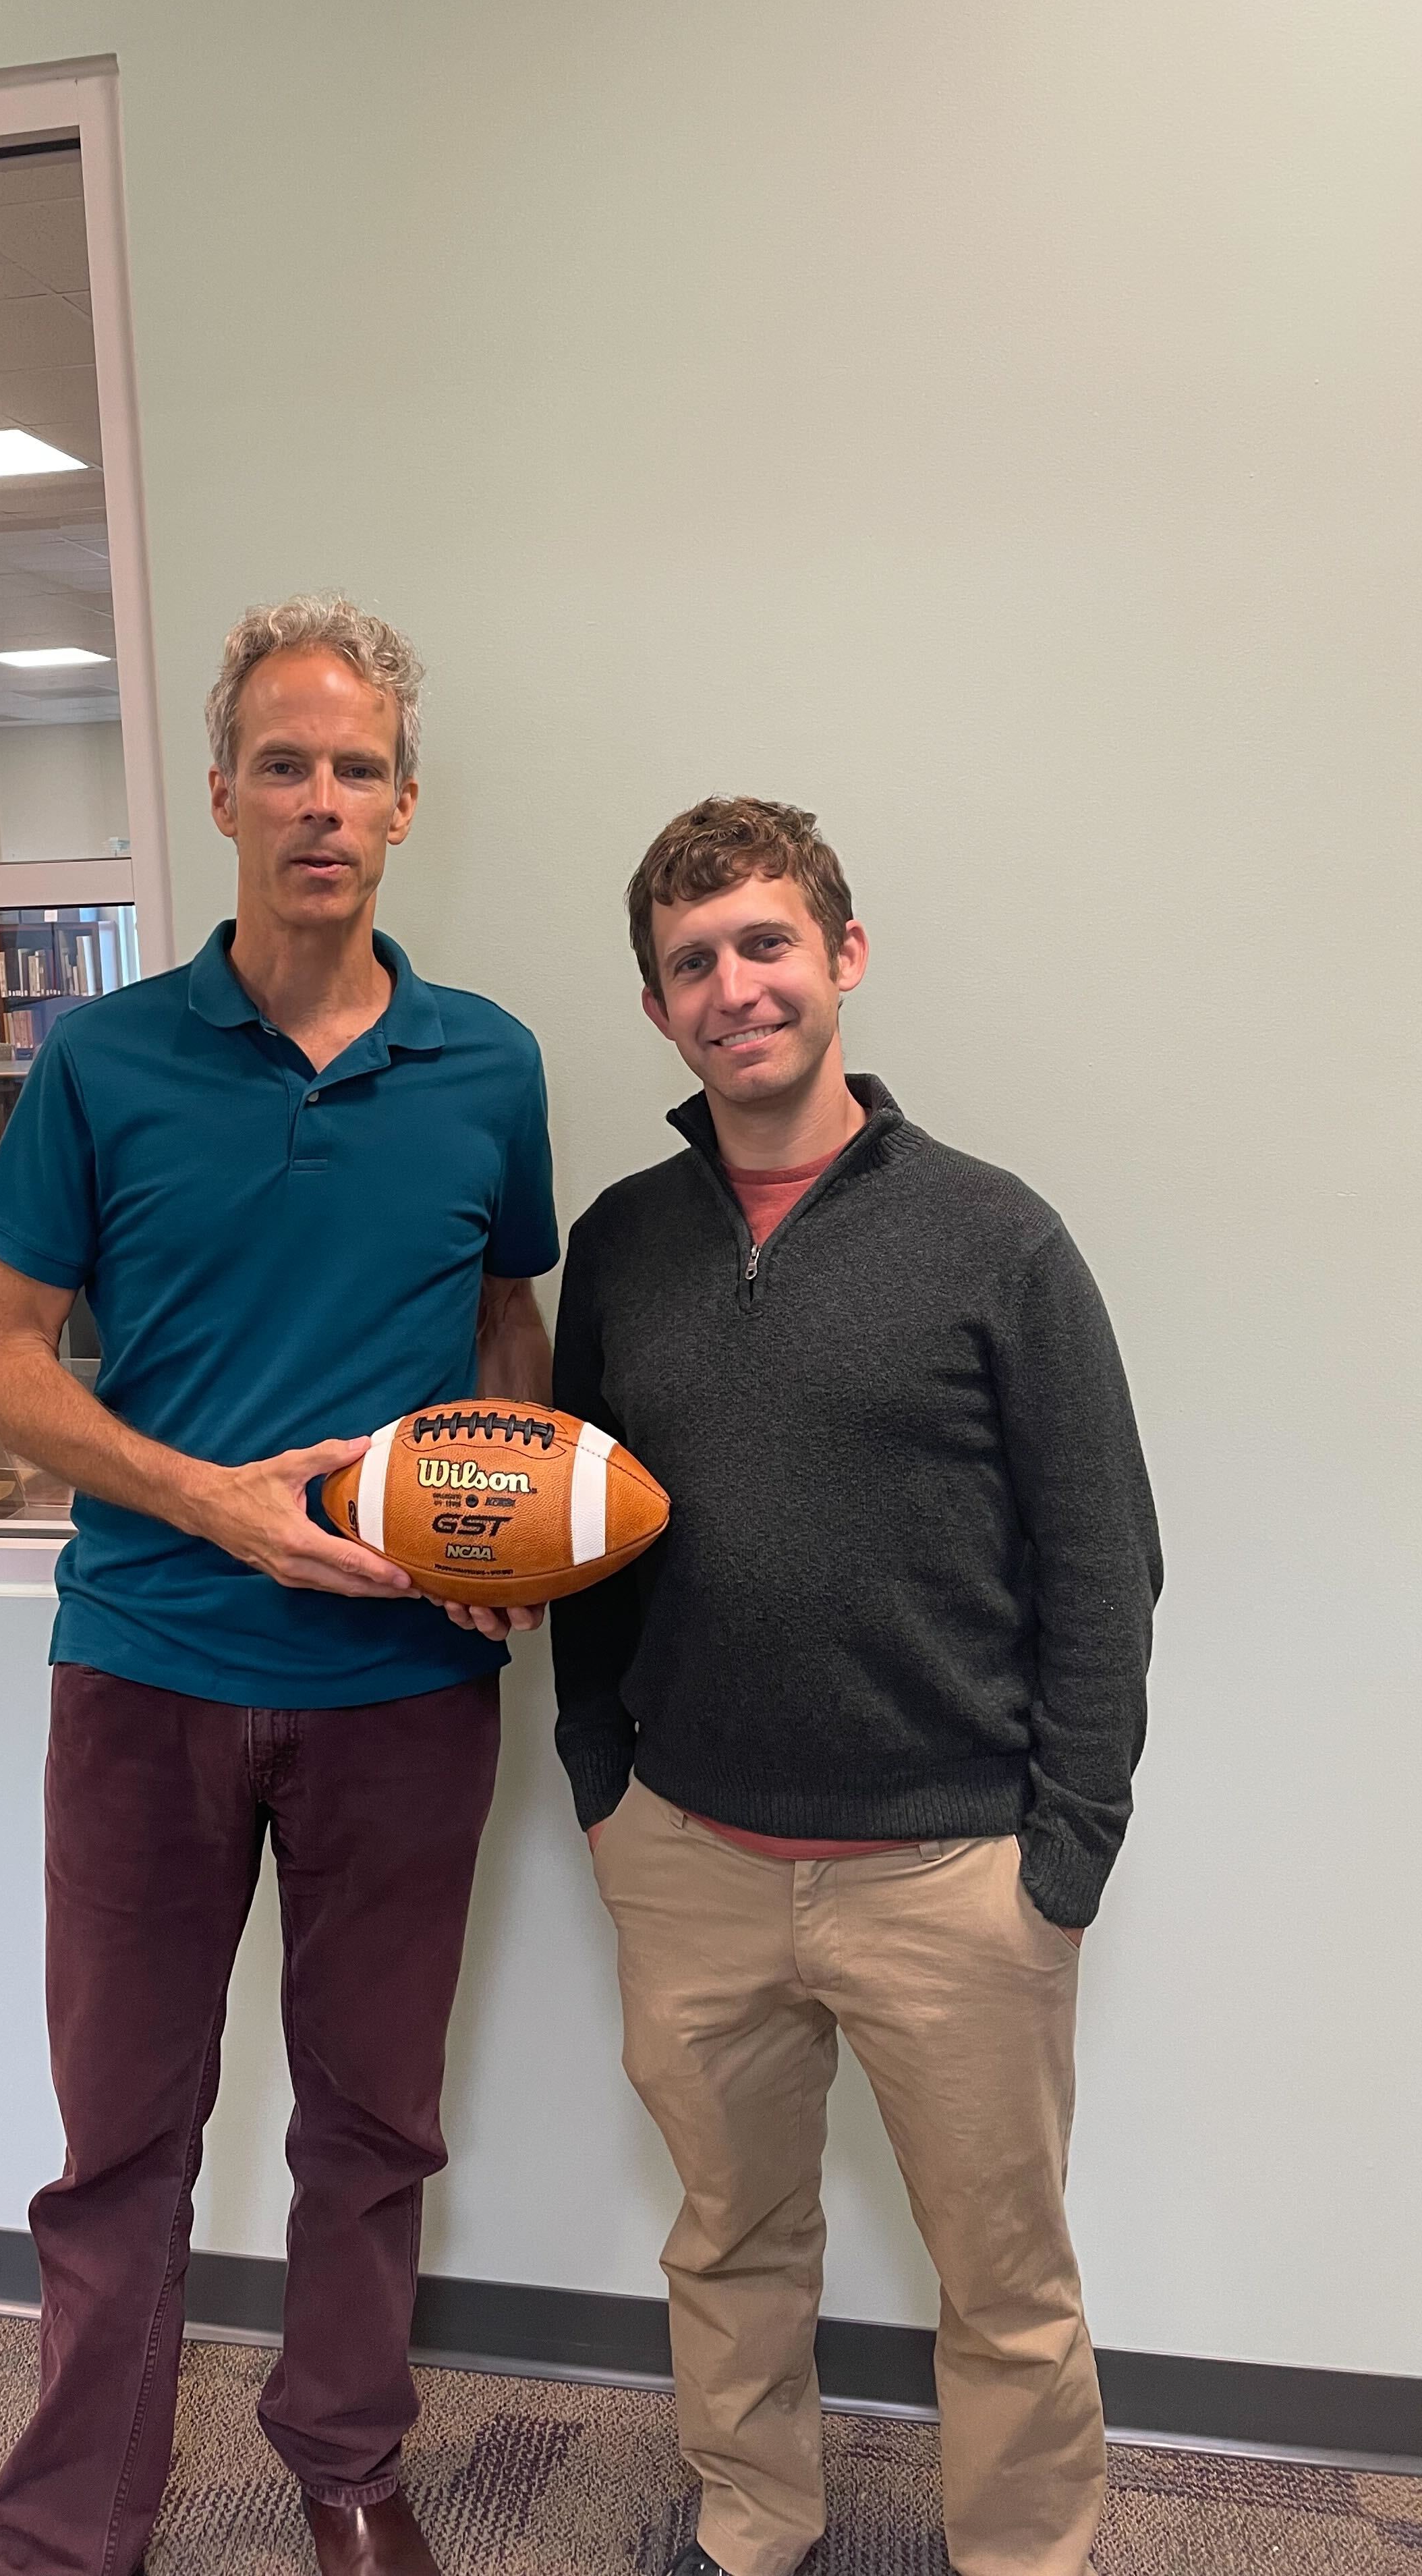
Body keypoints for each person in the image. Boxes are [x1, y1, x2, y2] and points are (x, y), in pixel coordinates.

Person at [0, 596, 557, 2576]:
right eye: (285, 764)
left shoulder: (489, 1066)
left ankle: (350, 2462)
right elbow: (3, 1369)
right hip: (146, 1669)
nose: (323, 800)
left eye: (359, 767)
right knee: (123, 2140)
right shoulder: (107, 1062)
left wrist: (501, 1530)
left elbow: (505, 1321)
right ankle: (75, 2522)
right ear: (220, 795)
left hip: (407, 1694)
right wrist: (208, 1503)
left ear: (407, 806)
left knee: (372, 2126)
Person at [552, 796, 1162, 2576]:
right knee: (728, 2247)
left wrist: (1063, 1861)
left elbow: (1104, 1567)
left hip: (947, 1875)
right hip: (694, 1860)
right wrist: (602, 1776)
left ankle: (1025, 2558)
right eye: (692, 962)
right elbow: (576, 1534)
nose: (734, 987)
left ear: (842, 960)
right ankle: (753, 2528)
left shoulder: (997, 1241)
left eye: (764, 944)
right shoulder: (624, 1242)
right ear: (660, 1009)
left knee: (1007, 2286)